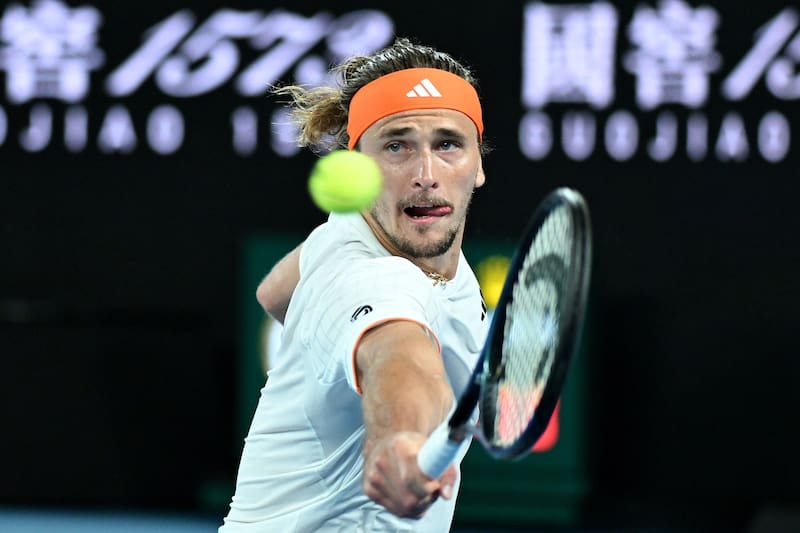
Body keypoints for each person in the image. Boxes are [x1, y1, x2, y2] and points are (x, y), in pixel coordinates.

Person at [220, 37, 491, 532]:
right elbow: (400, 357)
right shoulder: (368, 278)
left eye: (448, 144)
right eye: (396, 146)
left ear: (478, 164)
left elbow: (273, 293)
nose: (426, 174)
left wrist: (318, 334)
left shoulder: (346, 230)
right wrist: (402, 439)